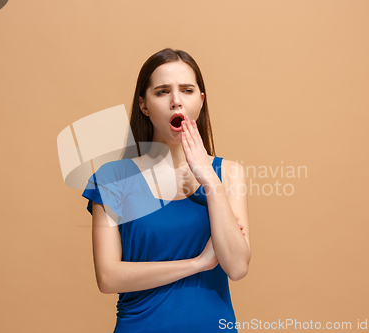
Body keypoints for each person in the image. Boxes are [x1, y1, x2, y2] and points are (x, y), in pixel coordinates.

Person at [82, 48, 251, 332]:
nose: (176, 101)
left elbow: (237, 267)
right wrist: (198, 263)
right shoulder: (112, 179)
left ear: (201, 100)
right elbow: (108, 277)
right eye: (162, 92)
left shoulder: (229, 173)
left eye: (187, 90)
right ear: (143, 105)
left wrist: (209, 179)